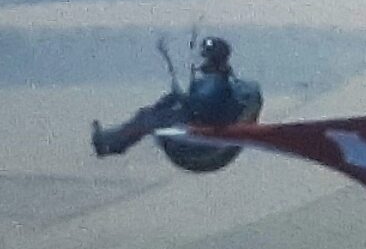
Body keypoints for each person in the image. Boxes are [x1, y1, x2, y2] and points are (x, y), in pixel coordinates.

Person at [92, 36, 261, 158]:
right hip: (203, 129)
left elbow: (198, 106)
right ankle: (114, 141)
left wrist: (179, 93)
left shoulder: (217, 84)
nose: (201, 62)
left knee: (145, 118)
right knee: (152, 111)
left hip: (199, 137)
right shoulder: (222, 80)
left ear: (212, 60)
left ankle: (110, 144)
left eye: (205, 57)